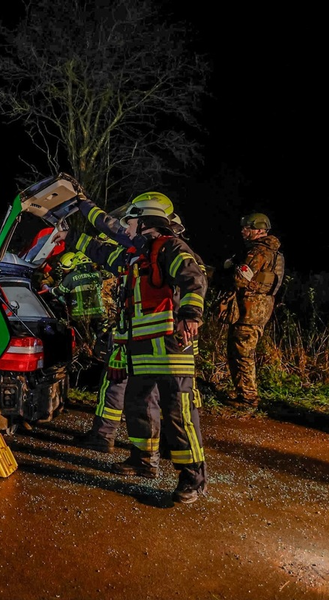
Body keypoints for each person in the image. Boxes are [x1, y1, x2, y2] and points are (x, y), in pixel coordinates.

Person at [71, 189, 209, 504]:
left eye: (130, 220)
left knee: (178, 413)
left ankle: (193, 480)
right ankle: (143, 461)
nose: (125, 225)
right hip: (143, 351)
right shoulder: (137, 256)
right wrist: (69, 238)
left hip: (172, 350)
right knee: (138, 406)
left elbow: (193, 278)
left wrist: (190, 315)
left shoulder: (171, 248)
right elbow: (102, 252)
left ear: (145, 220)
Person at [220, 212, 283, 409]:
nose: (243, 231)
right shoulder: (273, 252)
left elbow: (240, 279)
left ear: (257, 229)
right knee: (239, 351)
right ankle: (243, 392)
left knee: (242, 353)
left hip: (250, 311)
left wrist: (227, 270)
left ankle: (248, 398)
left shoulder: (258, 252)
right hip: (259, 309)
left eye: (246, 228)